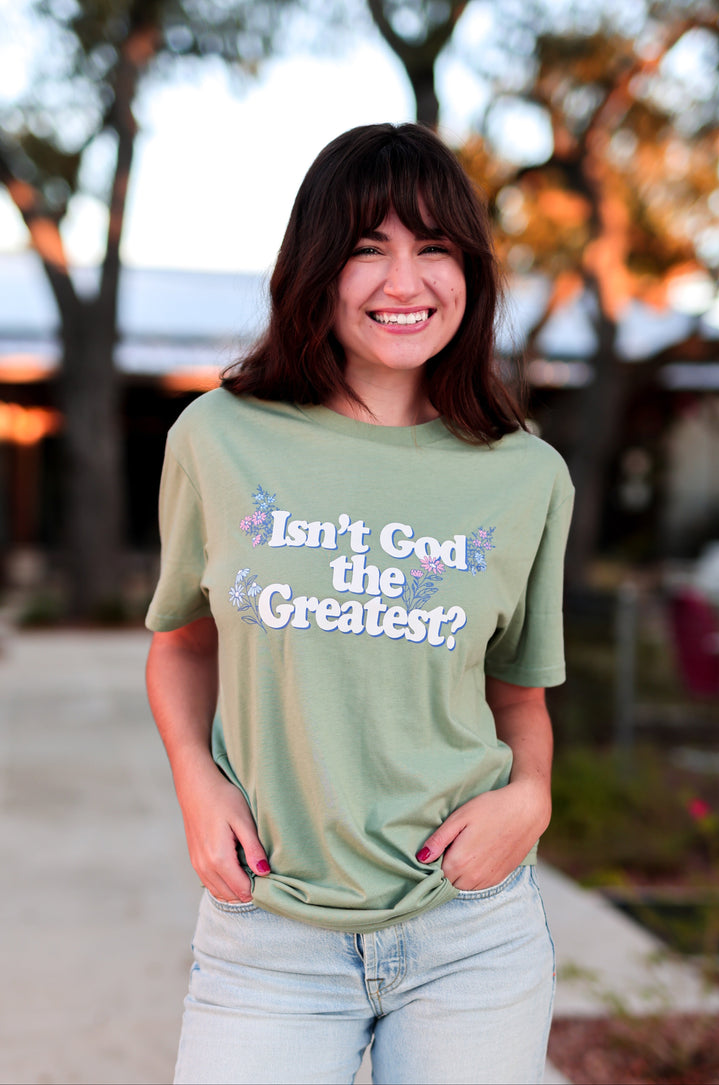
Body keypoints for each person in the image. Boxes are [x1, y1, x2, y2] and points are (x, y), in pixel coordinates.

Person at [145, 122, 574, 1085]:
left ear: (470, 273)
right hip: (272, 931)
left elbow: (519, 696)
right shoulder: (219, 438)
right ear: (316, 267)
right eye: (367, 248)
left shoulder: (527, 475)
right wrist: (196, 782)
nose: (404, 281)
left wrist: (531, 798)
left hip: (471, 930)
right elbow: (181, 644)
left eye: (434, 248)